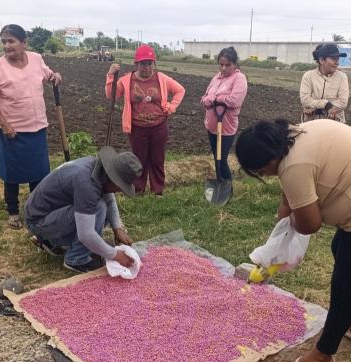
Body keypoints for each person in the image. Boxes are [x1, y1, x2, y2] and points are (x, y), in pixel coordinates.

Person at [235, 119, 351, 362]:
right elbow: (290, 194)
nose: (266, 176)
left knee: (344, 281)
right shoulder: (295, 135)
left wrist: (292, 222)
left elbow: (309, 224)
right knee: (343, 251)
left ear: (271, 159)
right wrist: (283, 221)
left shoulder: (293, 166)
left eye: (261, 171)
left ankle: (324, 354)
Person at [0, 24, 62, 229]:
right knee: (12, 174)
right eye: (4, 42)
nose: (7, 46)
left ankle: (36, 211)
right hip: (13, 131)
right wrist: (5, 125)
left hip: (37, 128)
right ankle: (13, 213)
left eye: (11, 41)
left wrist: (55, 76)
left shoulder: (36, 59)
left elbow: (47, 74)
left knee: (39, 173)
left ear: (24, 43)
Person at [24, 147, 142, 272]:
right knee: (99, 207)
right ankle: (76, 259)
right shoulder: (87, 184)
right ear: (111, 177)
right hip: (38, 221)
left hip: (50, 212)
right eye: (120, 186)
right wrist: (116, 255)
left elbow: (109, 199)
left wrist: (117, 228)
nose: (119, 191)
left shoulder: (96, 169)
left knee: (100, 206)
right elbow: (86, 234)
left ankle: (51, 242)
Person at [106, 45, 185, 196]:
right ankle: (138, 189)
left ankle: (158, 191)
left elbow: (180, 90)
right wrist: (110, 76)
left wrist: (171, 107)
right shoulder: (127, 80)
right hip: (137, 128)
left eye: (150, 63)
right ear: (136, 64)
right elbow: (112, 95)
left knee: (157, 160)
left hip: (159, 127)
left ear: (154, 64)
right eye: (143, 63)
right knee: (138, 160)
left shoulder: (161, 78)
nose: (147, 67)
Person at [200, 47, 248, 184]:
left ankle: (227, 185)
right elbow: (205, 97)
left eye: (228, 65)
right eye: (221, 64)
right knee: (216, 157)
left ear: (235, 64)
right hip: (212, 124)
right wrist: (207, 100)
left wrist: (215, 100)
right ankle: (220, 183)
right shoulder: (216, 78)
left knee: (222, 158)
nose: (224, 68)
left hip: (226, 125)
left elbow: (234, 100)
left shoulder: (239, 78)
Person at [300, 43, 349, 123]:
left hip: (335, 124)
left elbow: (343, 102)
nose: (337, 62)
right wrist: (325, 104)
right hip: (311, 124)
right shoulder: (308, 76)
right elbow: (305, 100)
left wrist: (316, 108)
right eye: (333, 59)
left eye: (338, 59)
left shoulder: (342, 77)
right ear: (321, 60)